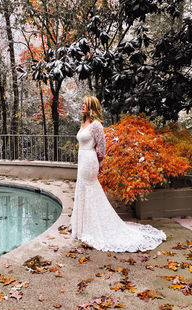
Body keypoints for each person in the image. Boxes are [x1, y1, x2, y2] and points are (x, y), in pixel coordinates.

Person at [71, 95, 166, 252]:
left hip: (90, 161)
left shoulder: (96, 125)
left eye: (85, 104)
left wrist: (100, 164)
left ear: (92, 106)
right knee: (82, 189)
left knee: (90, 190)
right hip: (82, 159)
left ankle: (93, 228)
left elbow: (102, 146)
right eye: (82, 104)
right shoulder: (84, 123)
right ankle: (82, 228)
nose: (82, 106)